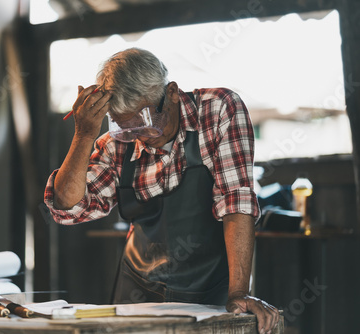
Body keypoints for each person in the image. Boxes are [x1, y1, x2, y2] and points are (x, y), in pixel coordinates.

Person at [44, 48, 279, 333]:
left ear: (172, 93)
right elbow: (68, 209)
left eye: (146, 122)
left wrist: (239, 294)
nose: (140, 136)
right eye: (125, 127)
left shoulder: (218, 109)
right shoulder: (116, 144)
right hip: (138, 295)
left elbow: (236, 203)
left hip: (210, 292)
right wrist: (83, 135)